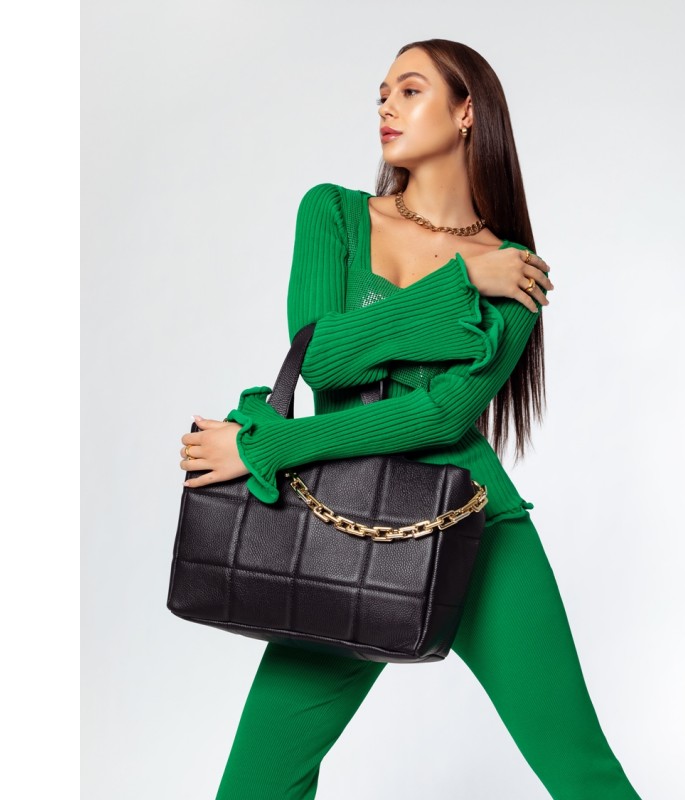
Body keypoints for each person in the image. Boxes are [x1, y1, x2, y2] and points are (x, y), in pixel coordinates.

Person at [179, 38, 643, 800]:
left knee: (582, 770)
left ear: (466, 113)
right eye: (382, 93)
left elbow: (442, 415)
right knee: (258, 783)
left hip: (477, 527)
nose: (386, 106)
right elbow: (322, 358)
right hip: (343, 528)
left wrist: (268, 446)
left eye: (410, 89)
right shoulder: (333, 213)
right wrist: (460, 285)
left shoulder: (514, 268)